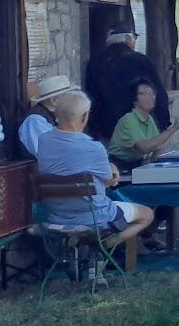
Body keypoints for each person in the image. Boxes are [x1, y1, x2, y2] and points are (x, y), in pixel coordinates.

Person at [36, 90, 154, 285]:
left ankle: (81, 249)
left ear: (56, 114)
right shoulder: (93, 148)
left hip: (56, 216)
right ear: (85, 117)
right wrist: (112, 170)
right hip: (94, 216)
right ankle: (101, 248)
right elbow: (109, 181)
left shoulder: (44, 141)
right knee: (146, 215)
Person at [85, 24, 171, 140]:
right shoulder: (141, 60)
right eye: (134, 38)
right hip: (138, 126)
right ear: (128, 39)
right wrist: (163, 122)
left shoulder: (94, 63)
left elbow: (92, 97)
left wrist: (94, 129)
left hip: (107, 127)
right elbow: (158, 92)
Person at [107, 82, 179, 169]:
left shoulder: (149, 119)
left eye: (152, 93)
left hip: (138, 165)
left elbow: (157, 148)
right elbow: (144, 147)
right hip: (118, 168)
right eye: (143, 93)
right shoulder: (128, 119)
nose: (150, 97)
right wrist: (174, 128)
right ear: (134, 100)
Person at [19, 75, 77, 157]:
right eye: (69, 97)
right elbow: (52, 153)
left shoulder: (57, 117)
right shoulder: (35, 121)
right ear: (54, 101)